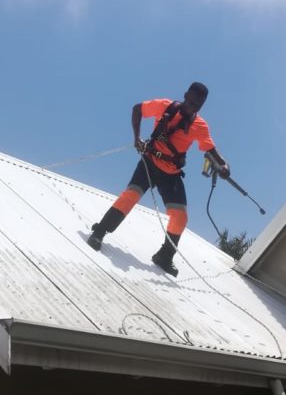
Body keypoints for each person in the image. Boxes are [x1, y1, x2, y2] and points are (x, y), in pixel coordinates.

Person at [87, 82, 230, 276]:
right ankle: (99, 232)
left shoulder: (200, 126)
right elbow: (137, 109)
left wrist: (224, 165)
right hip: (150, 162)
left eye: (198, 105)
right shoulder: (165, 106)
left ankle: (164, 256)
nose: (193, 106)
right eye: (192, 101)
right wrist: (136, 138)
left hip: (171, 173)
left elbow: (210, 150)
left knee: (180, 217)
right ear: (186, 95)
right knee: (131, 195)